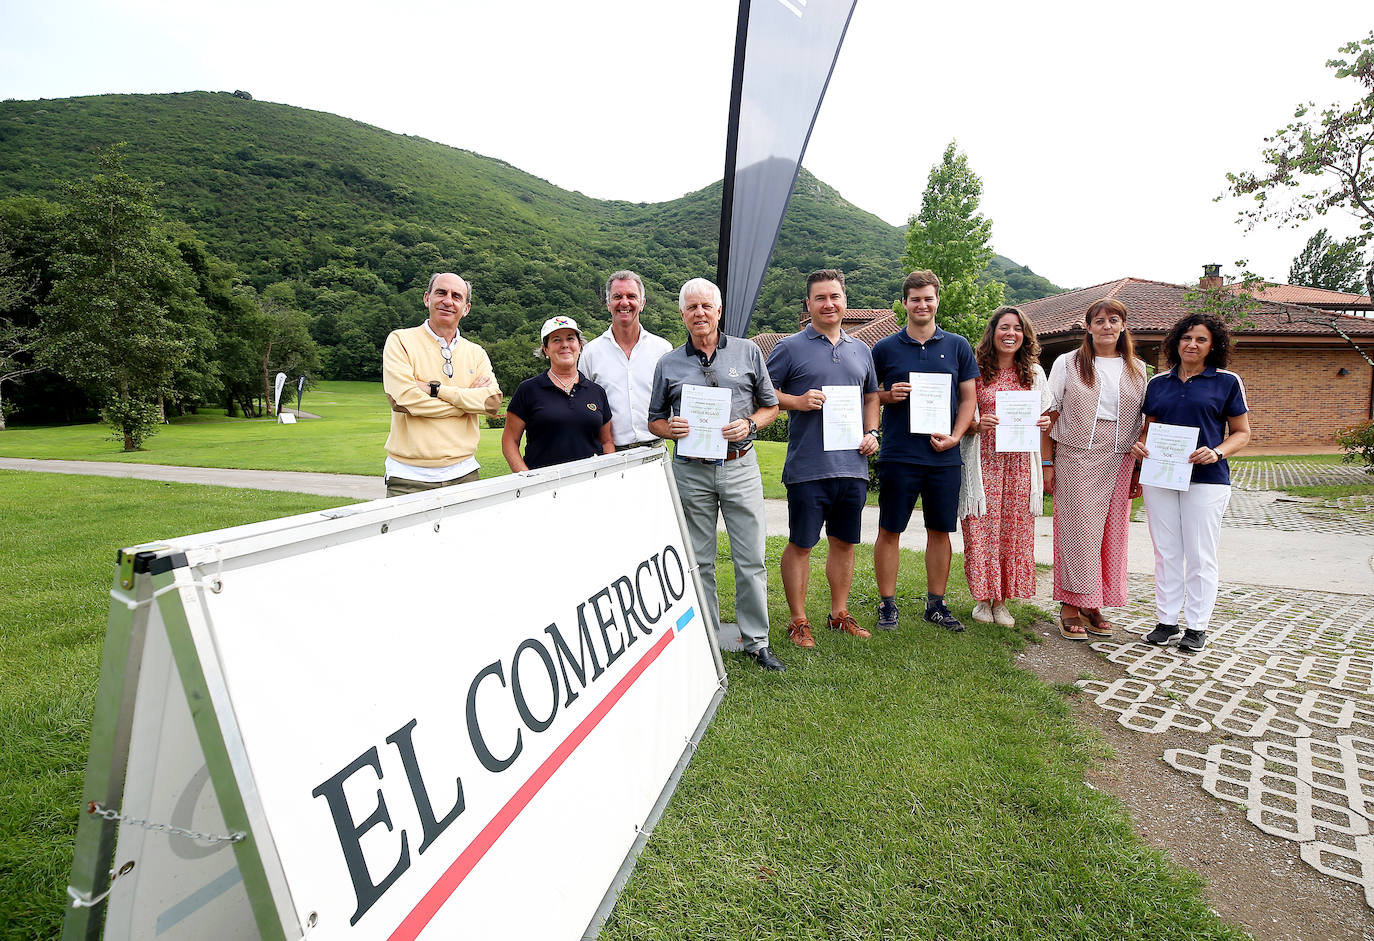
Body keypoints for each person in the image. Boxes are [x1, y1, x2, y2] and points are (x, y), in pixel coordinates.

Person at [648, 278, 783, 671]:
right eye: (692, 308)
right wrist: (668, 429)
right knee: (698, 558)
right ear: (682, 314)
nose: (700, 313)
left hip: (740, 465)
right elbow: (655, 420)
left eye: (706, 306)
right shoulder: (668, 363)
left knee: (751, 558)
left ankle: (757, 640)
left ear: (719, 311)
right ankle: (705, 637)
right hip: (691, 471)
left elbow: (771, 406)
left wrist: (751, 425)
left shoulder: (748, 351)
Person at [766, 269, 880, 649]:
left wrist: (872, 432)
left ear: (845, 300)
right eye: (820, 298)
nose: (828, 304)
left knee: (844, 542)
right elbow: (762, 392)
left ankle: (838, 613)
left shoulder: (861, 350)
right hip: (808, 467)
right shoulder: (789, 347)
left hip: (852, 465)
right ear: (808, 304)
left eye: (834, 296)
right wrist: (796, 402)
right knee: (802, 543)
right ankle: (798, 621)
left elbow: (871, 397)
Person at [870, 270, 979, 633]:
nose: (922, 304)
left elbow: (968, 399)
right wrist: (888, 396)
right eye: (915, 299)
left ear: (937, 301)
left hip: (943, 454)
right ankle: (887, 604)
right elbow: (869, 396)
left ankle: (936, 604)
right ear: (904, 303)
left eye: (928, 298)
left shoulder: (959, 345)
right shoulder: (884, 348)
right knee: (890, 529)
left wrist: (955, 435)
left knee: (940, 530)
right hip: (899, 453)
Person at [1135, 313, 1251, 653]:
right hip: (1161, 476)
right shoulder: (1158, 383)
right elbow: (1148, 430)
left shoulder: (1227, 382)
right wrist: (1139, 446)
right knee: (1166, 551)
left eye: (1201, 339)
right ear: (1176, 342)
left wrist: (1216, 452)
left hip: (1207, 479)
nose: (1192, 344)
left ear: (1213, 345)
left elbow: (1242, 433)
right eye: (1186, 338)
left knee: (1200, 553)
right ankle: (1167, 620)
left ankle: (1197, 626)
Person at [1043, 298, 1147, 641]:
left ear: (1122, 325)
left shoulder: (1138, 367)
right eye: (1099, 320)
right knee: (1079, 532)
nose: (1106, 325)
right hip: (1077, 455)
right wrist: (1047, 463)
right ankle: (1070, 605)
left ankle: (1093, 602)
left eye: (1113, 319)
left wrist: (1139, 471)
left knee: (1110, 535)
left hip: (1121, 457)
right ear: (1088, 327)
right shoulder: (1067, 362)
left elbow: (1145, 422)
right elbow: (1050, 414)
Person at [958, 307, 1052, 626]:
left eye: (1017, 328)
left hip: (1020, 464)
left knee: (1014, 530)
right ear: (993, 332)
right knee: (981, 528)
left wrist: (1042, 421)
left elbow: (1047, 414)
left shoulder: (1035, 373)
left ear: (1024, 335)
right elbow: (962, 415)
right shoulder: (976, 370)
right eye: (1004, 327)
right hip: (983, 461)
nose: (1010, 333)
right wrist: (976, 423)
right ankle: (983, 600)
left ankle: (1003, 602)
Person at [382, 273, 502, 498]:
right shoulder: (400, 340)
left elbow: (492, 402)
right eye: (441, 293)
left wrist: (435, 390)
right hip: (410, 477)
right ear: (427, 298)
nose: (448, 300)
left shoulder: (476, 353)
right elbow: (403, 401)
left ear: (466, 308)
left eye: (456, 296)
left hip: (465, 473)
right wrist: (468, 402)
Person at [502, 316, 614, 471]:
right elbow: (510, 441)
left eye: (570, 338)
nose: (565, 345)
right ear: (545, 349)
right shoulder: (528, 390)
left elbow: (607, 442)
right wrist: (527, 479)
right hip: (544, 486)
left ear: (579, 346)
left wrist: (607, 472)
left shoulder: (597, 392)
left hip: (590, 483)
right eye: (556, 340)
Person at [579, 270, 673, 450]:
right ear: (608, 303)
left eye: (631, 296)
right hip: (611, 454)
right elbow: (584, 408)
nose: (624, 302)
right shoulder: (591, 352)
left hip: (655, 450)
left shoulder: (663, 349)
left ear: (642, 303)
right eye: (617, 296)